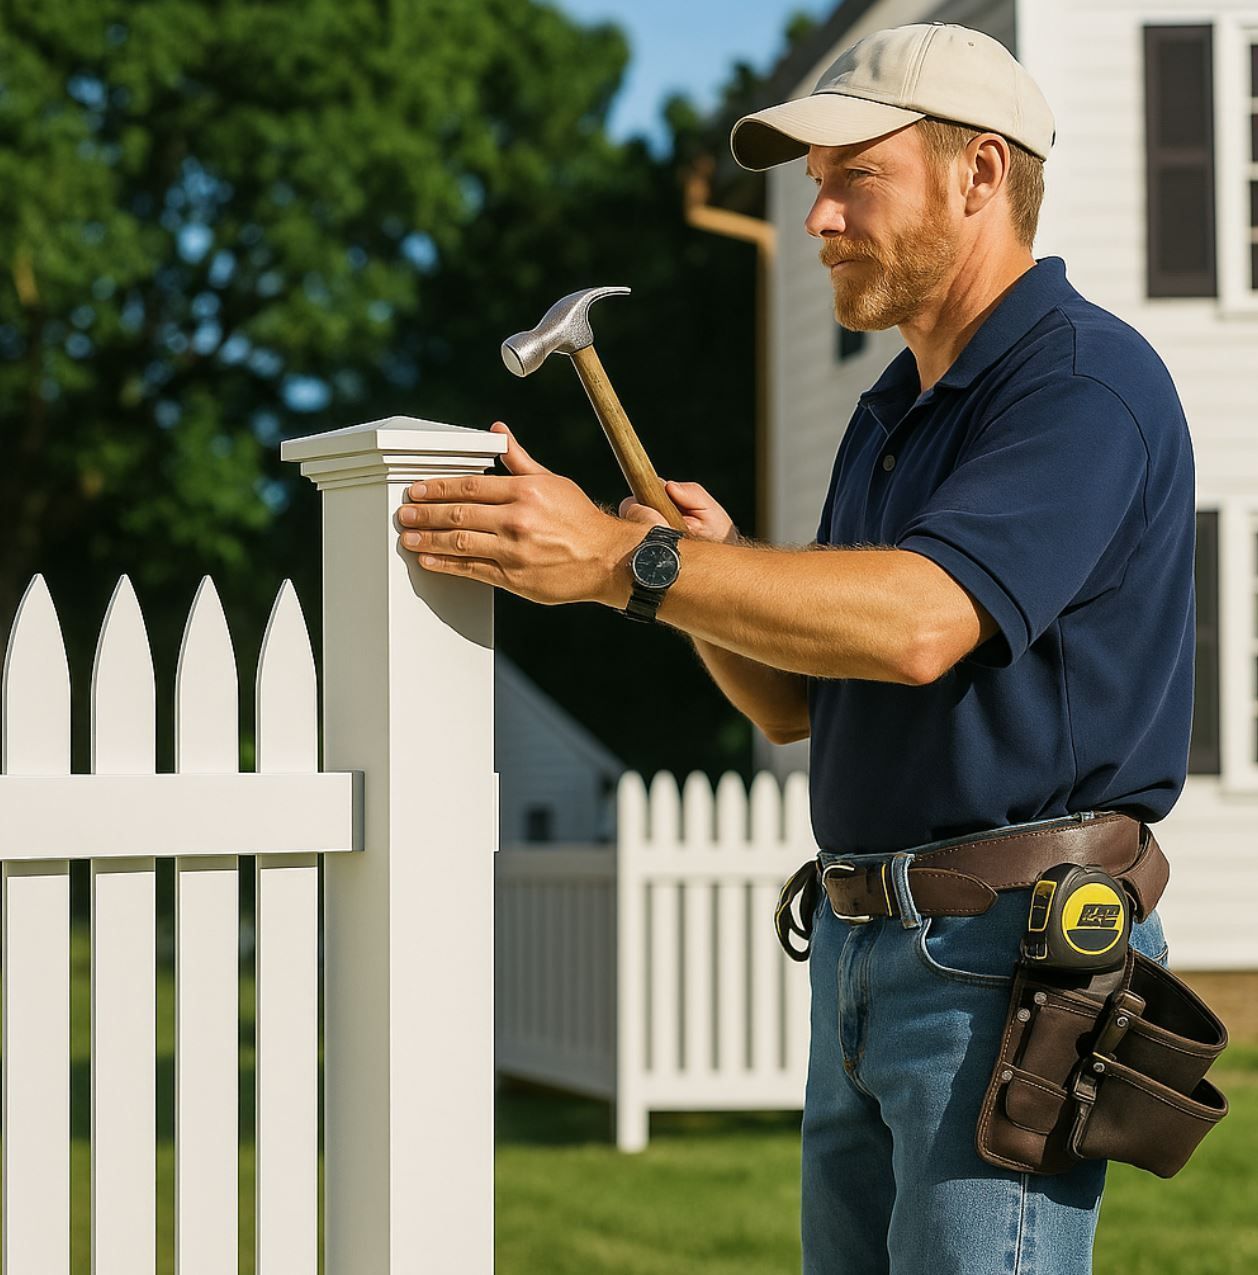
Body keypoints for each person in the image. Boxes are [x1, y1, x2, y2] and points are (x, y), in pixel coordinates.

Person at [395, 21, 1196, 1274]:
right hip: (866, 955)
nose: (816, 220)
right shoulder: (892, 415)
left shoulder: (1082, 383)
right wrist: (663, 579)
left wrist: (628, 561)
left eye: (851, 179)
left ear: (979, 174)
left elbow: (924, 621)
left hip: (1005, 963)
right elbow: (793, 704)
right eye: (814, 189)